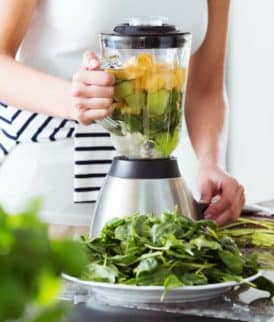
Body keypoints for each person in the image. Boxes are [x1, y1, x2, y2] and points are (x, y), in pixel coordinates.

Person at [0, 0, 245, 236]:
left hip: (156, 211)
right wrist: (70, 98)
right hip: (48, 208)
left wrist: (211, 164)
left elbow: (205, 90)